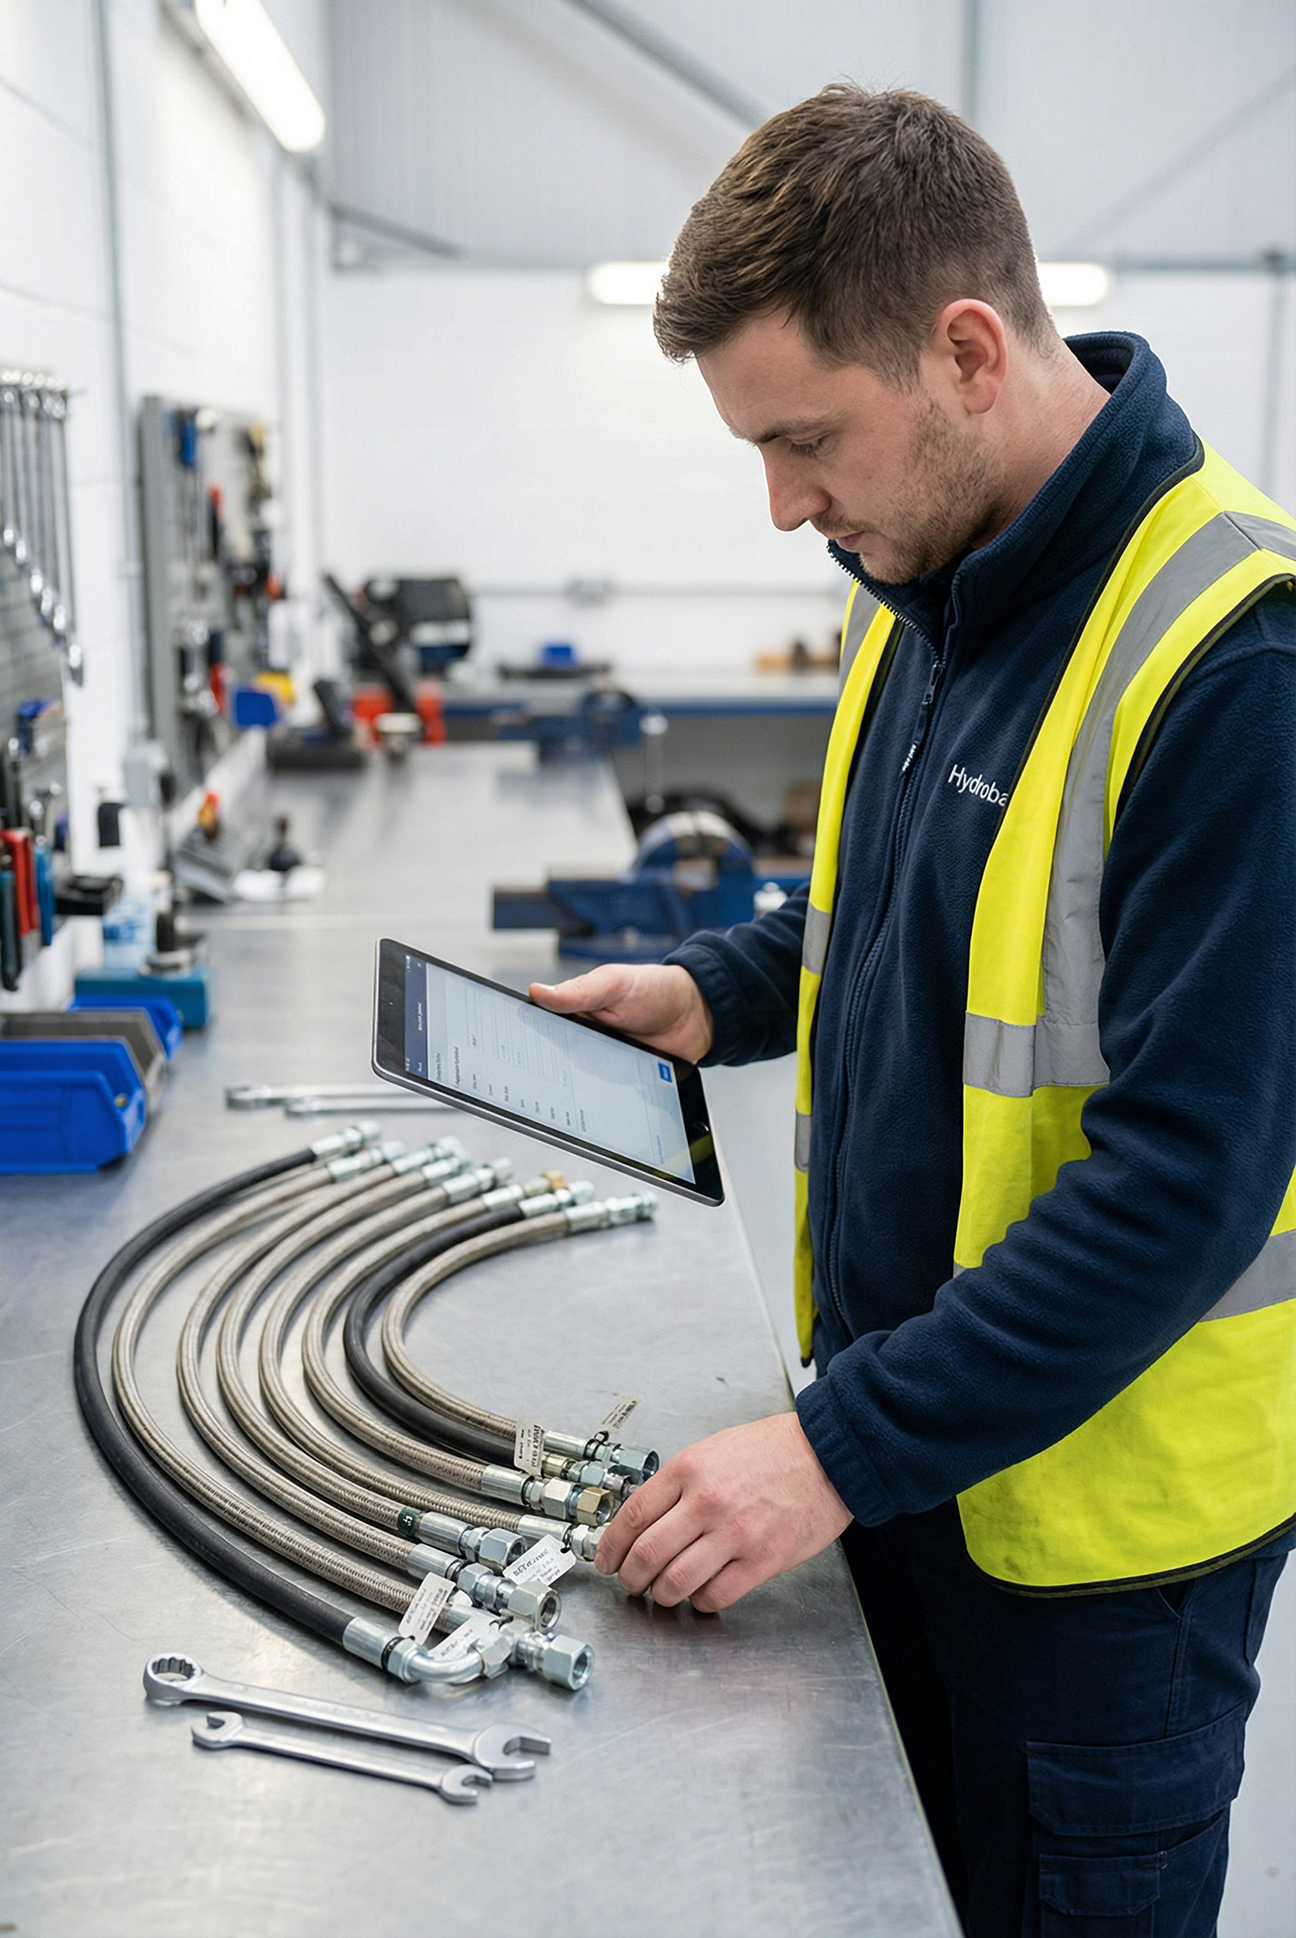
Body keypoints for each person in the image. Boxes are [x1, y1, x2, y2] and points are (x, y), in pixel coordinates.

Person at [532, 86, 1296, 1937]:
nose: (783, 501)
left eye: (803, 439)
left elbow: (1183, 1182)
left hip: (1101, 1558)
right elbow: (902, 917)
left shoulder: (1233, 659)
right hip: (908, 1469)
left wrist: (829, 1452)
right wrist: (722, 989)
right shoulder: (925, 571)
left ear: (964, 351)